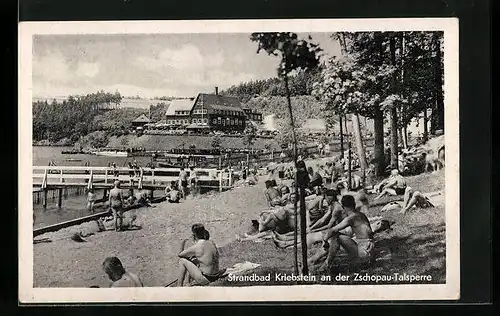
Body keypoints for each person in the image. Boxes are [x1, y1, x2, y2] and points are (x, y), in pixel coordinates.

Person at [310, 195, 374, 272]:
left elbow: (332, 230)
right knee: (335, 238)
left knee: (335, 237)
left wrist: (325, 240)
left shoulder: (350, 218)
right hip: (369, 251)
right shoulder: (360, 215)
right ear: (354, 204)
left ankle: (325, 266)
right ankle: (313, 260)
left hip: (364, 253)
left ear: (343, 207)